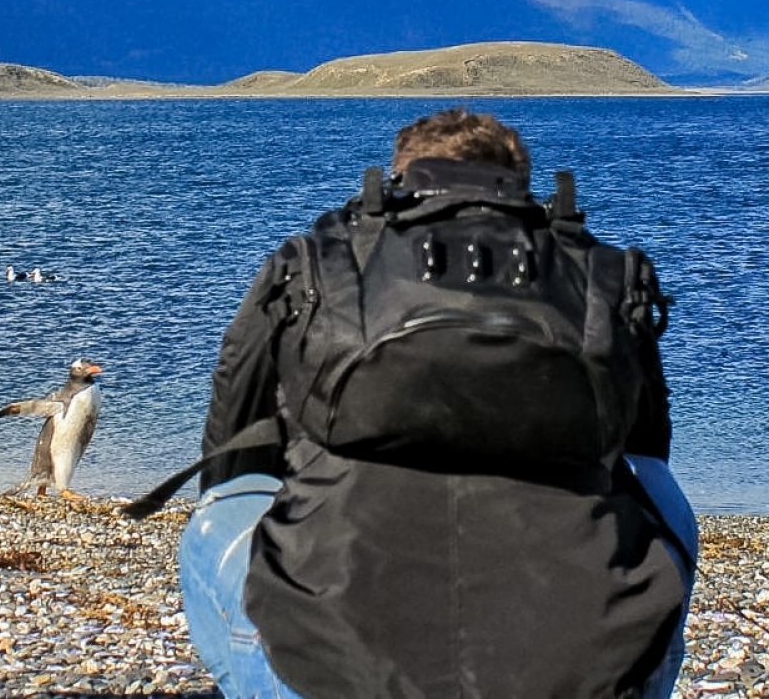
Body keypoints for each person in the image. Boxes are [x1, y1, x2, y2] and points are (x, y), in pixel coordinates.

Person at [172, 109, 698, 698]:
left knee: (219, 511)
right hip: (580, 672)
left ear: (399, 178)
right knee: (659, 494)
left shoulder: (317, 261)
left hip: (324, 666)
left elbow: (230, 449)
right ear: (519, 182)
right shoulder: (600, 274)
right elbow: (649, 452)